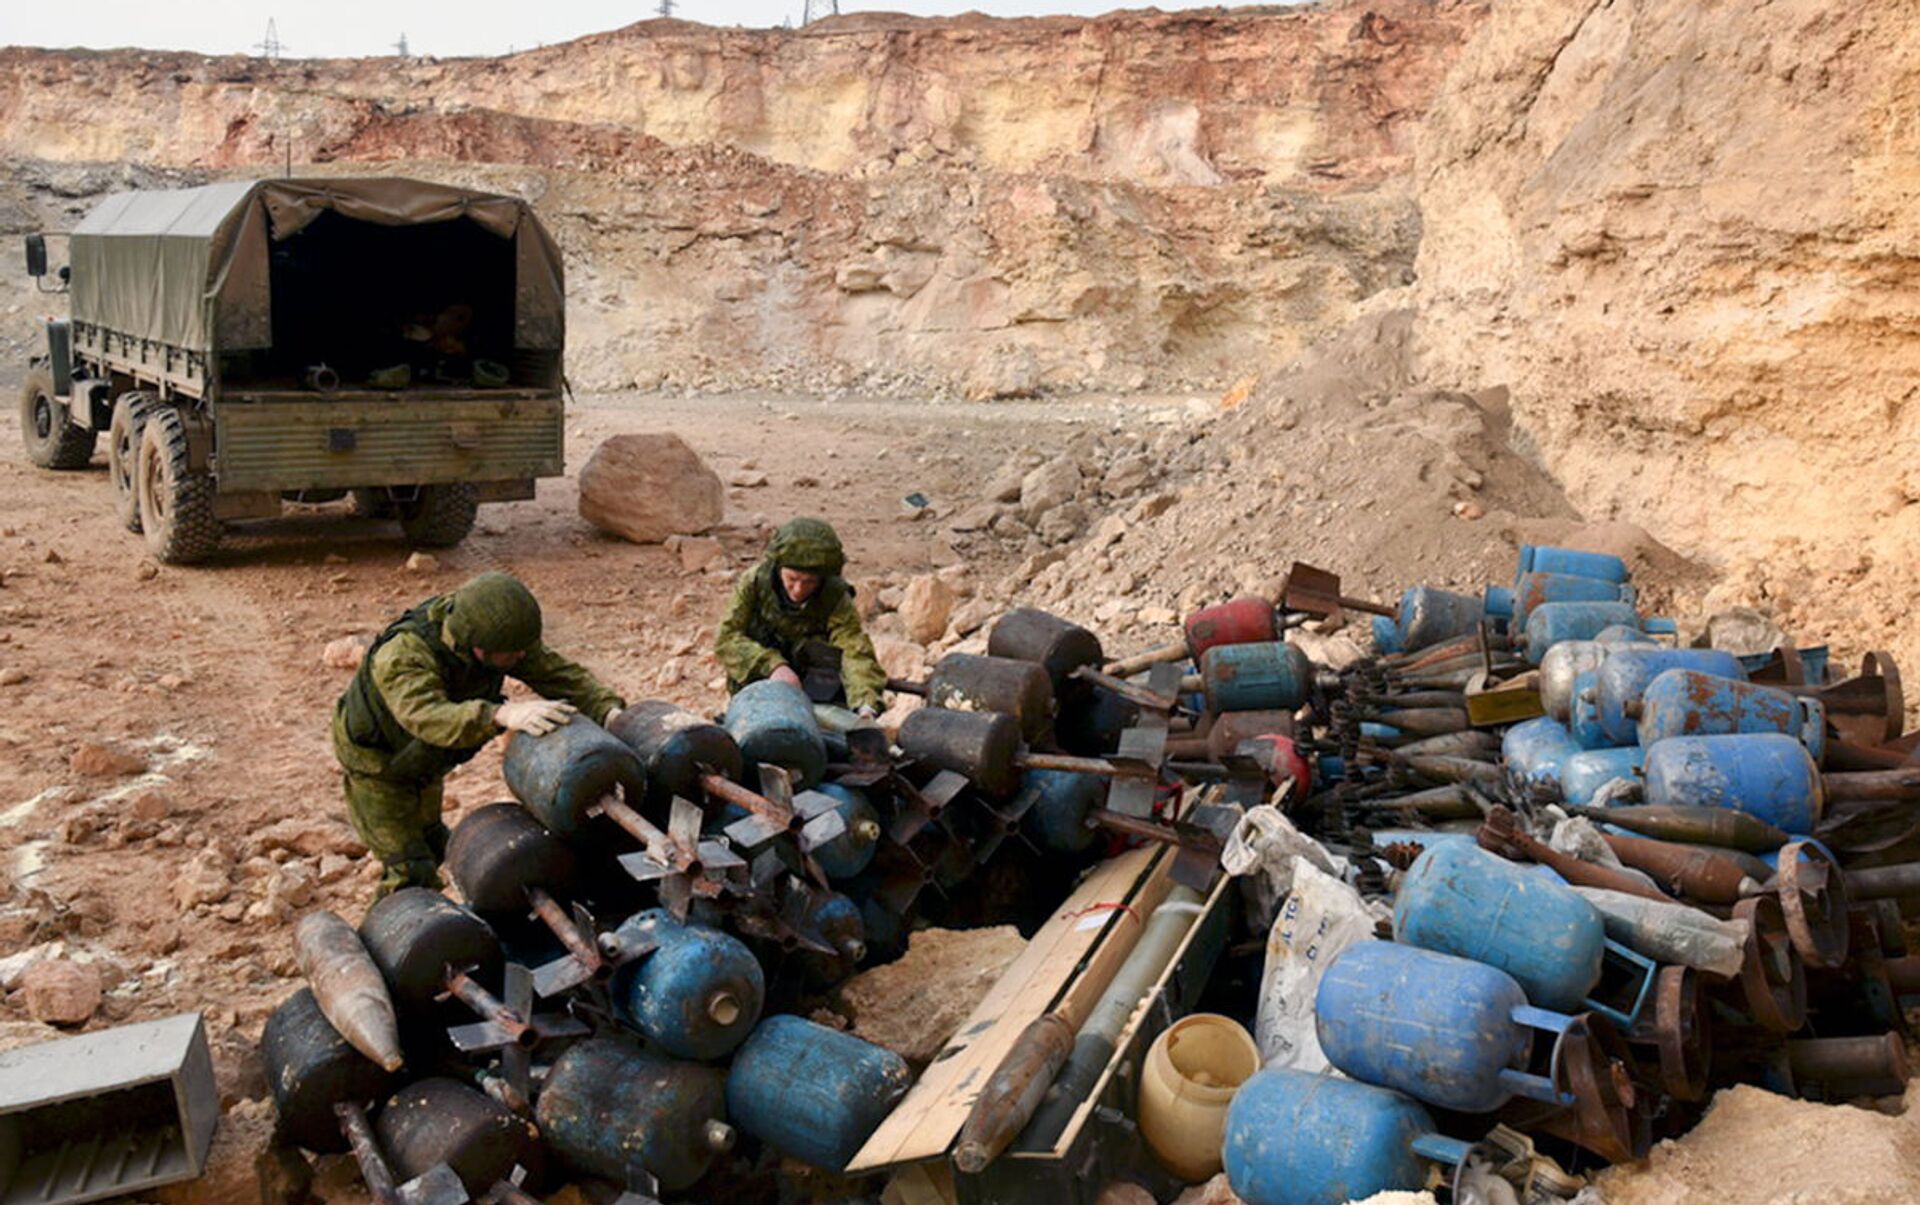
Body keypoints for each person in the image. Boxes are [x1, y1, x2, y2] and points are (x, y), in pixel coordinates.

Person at [332, 571, 624, 895]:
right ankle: (395, 921)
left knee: (432, 842)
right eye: (513, 652)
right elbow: (427, 717)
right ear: (478, 647)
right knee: (410, 871)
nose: (522, 656)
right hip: (378, 766)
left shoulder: (494, 638)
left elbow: (555, 673)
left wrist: (609, 712)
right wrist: (500, 714)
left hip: (423, 761)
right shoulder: (404, 655)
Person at [715, 517, 886, 713]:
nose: (798, 590)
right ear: (778, 568)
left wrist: (865, 703)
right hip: (759, 687)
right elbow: (726, 638)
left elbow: (853, 650)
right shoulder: (754, 583)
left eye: (810, 582)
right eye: (792, 578)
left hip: (817, 689)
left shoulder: (834, 596)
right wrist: (773, 666)